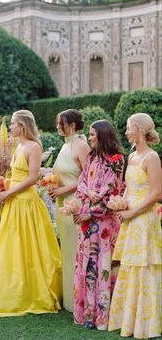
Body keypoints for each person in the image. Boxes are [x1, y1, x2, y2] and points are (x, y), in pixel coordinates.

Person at [0, 110, 62, 316]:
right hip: (15, 203)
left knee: (30, 247)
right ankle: (14, 289)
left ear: (22, 126)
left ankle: (34, 291)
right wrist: (3, 186)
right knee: (13, 246)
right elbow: (17, 176)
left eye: (13, 124)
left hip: (27, 205)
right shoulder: (19, 147)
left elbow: (32, 178)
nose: (10, 127)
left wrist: (8, 192)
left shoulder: (33, 147)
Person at [109, 113, 162, 339]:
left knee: (144, 266)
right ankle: (128, 321)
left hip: (144, 219)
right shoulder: (131, 157)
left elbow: (157, 193)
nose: (126, 132)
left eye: (130, 128)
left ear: (140, 131)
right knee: (129, 265)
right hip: (129, 218)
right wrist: (121, 203)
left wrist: (132, 211)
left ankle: (146, 324)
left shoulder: (152, 157)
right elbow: (129, 187)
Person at [73, 120, 125, 330]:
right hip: (86, 225)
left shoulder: (117, 160)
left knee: (102, 267)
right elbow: (81, 183)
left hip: (103, 225)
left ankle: (103, 316)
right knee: (87, 265)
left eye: (93, 134)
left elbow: (112, 192)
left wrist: (89, 213)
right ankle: (87, 315)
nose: (90, 137)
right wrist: (85, 196)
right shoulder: (92, 157)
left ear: (103, 135)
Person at [49, 109, 90, 312]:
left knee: (76, 252)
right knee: (67, 251)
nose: (58, 127)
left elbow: (89, 178)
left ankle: (79, 300)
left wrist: (64, 189)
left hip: (75, 205)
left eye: (61, 123)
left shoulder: (81, 145)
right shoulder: (65, 146)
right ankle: (69, 298)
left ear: (72, 125)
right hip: (62, 206)